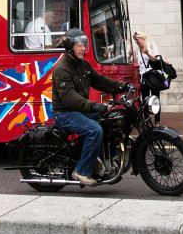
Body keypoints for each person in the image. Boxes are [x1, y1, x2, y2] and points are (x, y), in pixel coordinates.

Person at [51, 27, 131, 186]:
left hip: (80, 111)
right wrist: (94, 106)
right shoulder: (62, 69)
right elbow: (69, 98)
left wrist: (122, 86)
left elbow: (100, 81)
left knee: (107, 121)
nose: (82, 48)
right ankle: (81, 171)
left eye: (83, 44)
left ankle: (96, 159)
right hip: (66, 113)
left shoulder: (83, 64)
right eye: (78, 45)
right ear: (70, 47)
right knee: (94, 130)